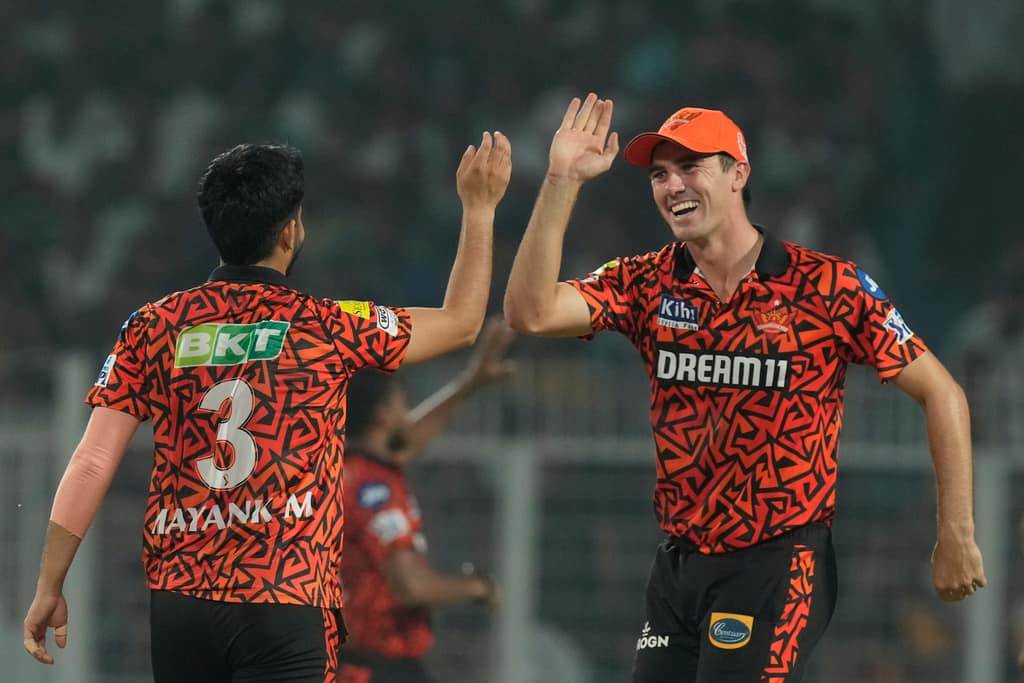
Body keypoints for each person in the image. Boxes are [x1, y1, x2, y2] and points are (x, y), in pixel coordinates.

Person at [503, 93, 986, 682]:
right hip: (679, 565)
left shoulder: (828, 287)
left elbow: (943, 393)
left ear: (739, 174)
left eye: (690, 166)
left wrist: (956, 533)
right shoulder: (644, 283)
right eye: (659, 174)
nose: (672, 184)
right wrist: (559, 181)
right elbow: (529, 312)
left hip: (778, 559)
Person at [23, 133, 512, 682]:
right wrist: (480, 209)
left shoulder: (154, 325)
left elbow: (91, 461)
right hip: (284, 594)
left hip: (181, 602)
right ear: (289, 231)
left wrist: (49, 584)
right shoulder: (328, 325)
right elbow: (462, 321)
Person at [337, 318, 513, 683]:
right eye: (402, 401)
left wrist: (469, 383)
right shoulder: (375, 490)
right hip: (380, 666)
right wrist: (479, 587)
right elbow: (410, 585)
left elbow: (405, 444)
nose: (407, 410)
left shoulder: (349, 470)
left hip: (357, 664)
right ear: (384, 413)